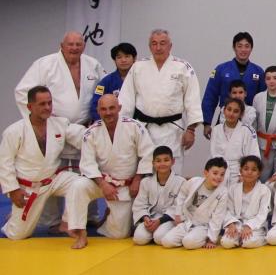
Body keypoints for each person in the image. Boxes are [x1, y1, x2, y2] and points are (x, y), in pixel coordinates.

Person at [0, 86, 90, 248]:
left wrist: (100, 131)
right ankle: (13, 218)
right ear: (30, 106)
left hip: (54, 180)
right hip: (29, 187)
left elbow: (84, 137)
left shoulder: (59, 124)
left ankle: (68, 223)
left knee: (81, 184)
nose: (47, 107)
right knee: (17, 235)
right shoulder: (14, 131)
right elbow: (4, 163)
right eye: (42, 104)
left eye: (49, 103)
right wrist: (13, 190)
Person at [118, 29, 202, 163]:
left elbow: (193, 100)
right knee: (145, 167)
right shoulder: (138, 67)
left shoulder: (182, 67)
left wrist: (191, 130)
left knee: (172, 169)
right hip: (144, 128)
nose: (158, 48)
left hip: (173, 130)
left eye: (162, 43)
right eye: (154, 43)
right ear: (149, 46)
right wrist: (123, 127)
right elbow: (126, 99)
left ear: (170, 46)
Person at [79, 94, 155, 239]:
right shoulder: (91, 132)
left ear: (119, 108)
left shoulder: (134, 126)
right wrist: (103, 184)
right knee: (78, 186)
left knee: (119, 234)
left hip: (127, 185)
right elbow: (87, 163)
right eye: (103, 109)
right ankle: (77, 230)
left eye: (112, 108)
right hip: (101, 183)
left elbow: (148, 154)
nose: (108, 112)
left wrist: (138, 179)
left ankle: (108, 218)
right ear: (98, 111)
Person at [16, 31, 104, 126]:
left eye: (78, 44)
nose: (74, 48)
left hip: (86, 126)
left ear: (84, 46)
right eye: (70, 44)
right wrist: (39, 119)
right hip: (54, 126)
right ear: (62, 46)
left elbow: (105, 88)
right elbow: (22, 92)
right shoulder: (44, 64)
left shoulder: (93, 64)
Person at [202, 32, 265, 138]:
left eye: (247, 46)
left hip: (249, 121)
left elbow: (263, 101)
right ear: (234, 47)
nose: (243, 50)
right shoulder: (221, 70)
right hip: (225, 118)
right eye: (239, 46)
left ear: (251, 48)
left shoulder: (258, 72)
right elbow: (210, 96)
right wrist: (207, 122)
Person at [162, 157, 229, 249]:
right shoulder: (194, 181)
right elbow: (182, 194)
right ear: (206, 173)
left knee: (188, 243)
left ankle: (197, 237)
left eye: (222, 174)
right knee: (166, 241)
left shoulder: (222, 192)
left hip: (203, 226)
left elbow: (218, 216)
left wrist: (211, 239)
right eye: (215, 173)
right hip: (187, 221)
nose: (218, 177)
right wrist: (178, 214)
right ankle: (189, 236)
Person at [132, 146, 186, 245]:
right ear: (153, 163)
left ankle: (163, 233)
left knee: (159, 237)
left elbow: (178, 207)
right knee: (139, 239)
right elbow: (139, 204)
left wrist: (160, 221)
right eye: (158, 161)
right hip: (151, 217)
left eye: (166, 160)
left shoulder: (181, 182)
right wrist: (146, 218)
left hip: (169, 218)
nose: (162, 164)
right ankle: (151, 232)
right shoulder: (145, 182)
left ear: (173, 161)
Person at [219, 156, 271, 249]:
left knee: (248, 243)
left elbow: (262, 214)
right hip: (237, 224)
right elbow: (227, 210)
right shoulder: (233, 189)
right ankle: (238, 238)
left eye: (254, 170)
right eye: (246, 169)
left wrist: (249, 226)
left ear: (259, 173)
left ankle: (262, 237)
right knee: (226, 243)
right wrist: (231, 224)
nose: (249, 172)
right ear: (241, 171)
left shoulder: (264, 190)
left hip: (255, 226)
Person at [209, 98, 259, 185]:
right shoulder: (216, 129)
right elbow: (213, 154)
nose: (231, 114)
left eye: (236, 111)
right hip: (219, 173)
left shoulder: (247, 130)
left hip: (239, 174)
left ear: (241, 114)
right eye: (229, 109)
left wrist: (243, 174)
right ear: (224, 111)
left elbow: (253, 156)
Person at [252, 66, 276, 180]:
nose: (272, 81)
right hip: (262, 142)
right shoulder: (258, 97)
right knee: (263, 174)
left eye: (275, 78)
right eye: (268, 78)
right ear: (264, 80)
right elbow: (254, 122)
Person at [89, 42, 137, 123]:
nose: (123, 60)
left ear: (134, 58)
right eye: (119, 57)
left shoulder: (141, 80)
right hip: (111, 124)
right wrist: (104, 124)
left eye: (127, 56)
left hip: (137, 123)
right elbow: (95, 106)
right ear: (114, 60)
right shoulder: (105, 82)